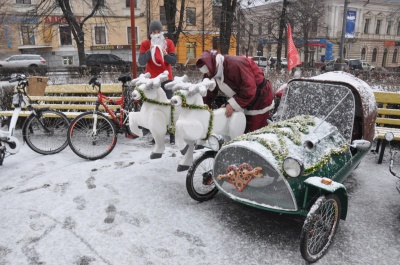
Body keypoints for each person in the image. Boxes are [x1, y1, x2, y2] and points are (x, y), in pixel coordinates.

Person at [195, 50, 274, 133]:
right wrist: (204, 109)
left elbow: (249, 88)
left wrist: (232, 104)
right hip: (244, 98)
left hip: (260, 98)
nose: (207, 75)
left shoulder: (236, 64)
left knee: (254, 130)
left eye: (208, 72)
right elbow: (208, 92)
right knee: (241, 126)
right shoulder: (211, 71)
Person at [138, 20, 176, 144]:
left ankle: (172, 134)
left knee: (169, 105)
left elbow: (173, 61)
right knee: (154, 107)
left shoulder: (168, 43)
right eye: (154, 32)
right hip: (152, 80)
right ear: (150, 33)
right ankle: (156, 135)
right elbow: (142, 61)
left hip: (166, 78)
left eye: (158, 31)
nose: (156, 34)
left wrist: (165, 54)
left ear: (162, 32)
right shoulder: (145, 44)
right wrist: (150, 51)